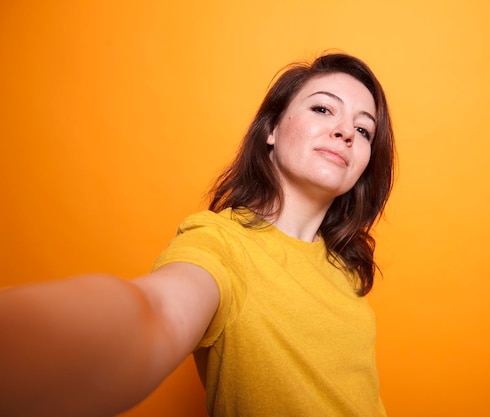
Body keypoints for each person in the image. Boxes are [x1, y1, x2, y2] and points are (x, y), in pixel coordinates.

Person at [0, 52, 395, 417]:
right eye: (323, 108)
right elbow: (155, 313)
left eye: (363, 130)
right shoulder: (220, 242)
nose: (345, 131)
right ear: (272, 128)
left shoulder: (344, 267)